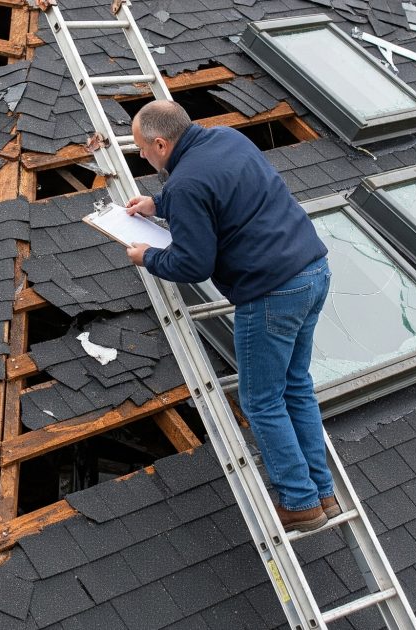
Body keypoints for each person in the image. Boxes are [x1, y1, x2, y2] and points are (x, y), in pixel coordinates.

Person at [124, 100, 339, 532]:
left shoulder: (186, 184)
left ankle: (300, 503)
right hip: (313, 272)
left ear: (162, 143)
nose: (143, 157)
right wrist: (159, 204)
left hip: (271, 293)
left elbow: (193, 264)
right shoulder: (227, 137)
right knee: (295, 387)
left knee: (261, 401)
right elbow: (218, 194)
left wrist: (148, 256)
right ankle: (323, 493)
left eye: (143, 150)